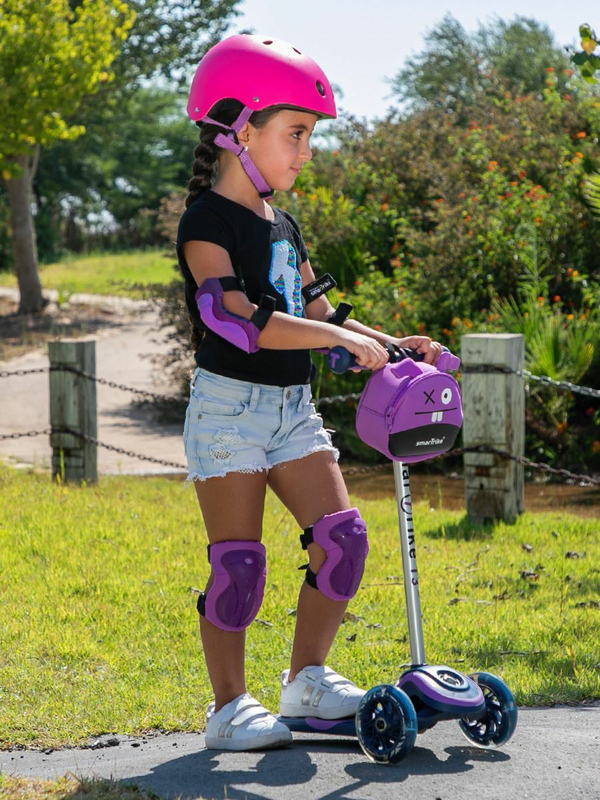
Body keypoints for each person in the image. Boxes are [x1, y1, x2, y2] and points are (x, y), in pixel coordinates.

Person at [176, 33, 442, 751]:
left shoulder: (284, 226)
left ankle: (306, 683)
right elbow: (230, 317)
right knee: (240, 566)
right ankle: (229, 710)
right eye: (295, 134)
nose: (304, 151)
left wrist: (389, 344)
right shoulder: (206, 219)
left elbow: (323, 313)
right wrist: (332, 341)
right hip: (228, 411)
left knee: (343, 541)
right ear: (239, 130)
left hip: (292, 413)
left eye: (309, 137)